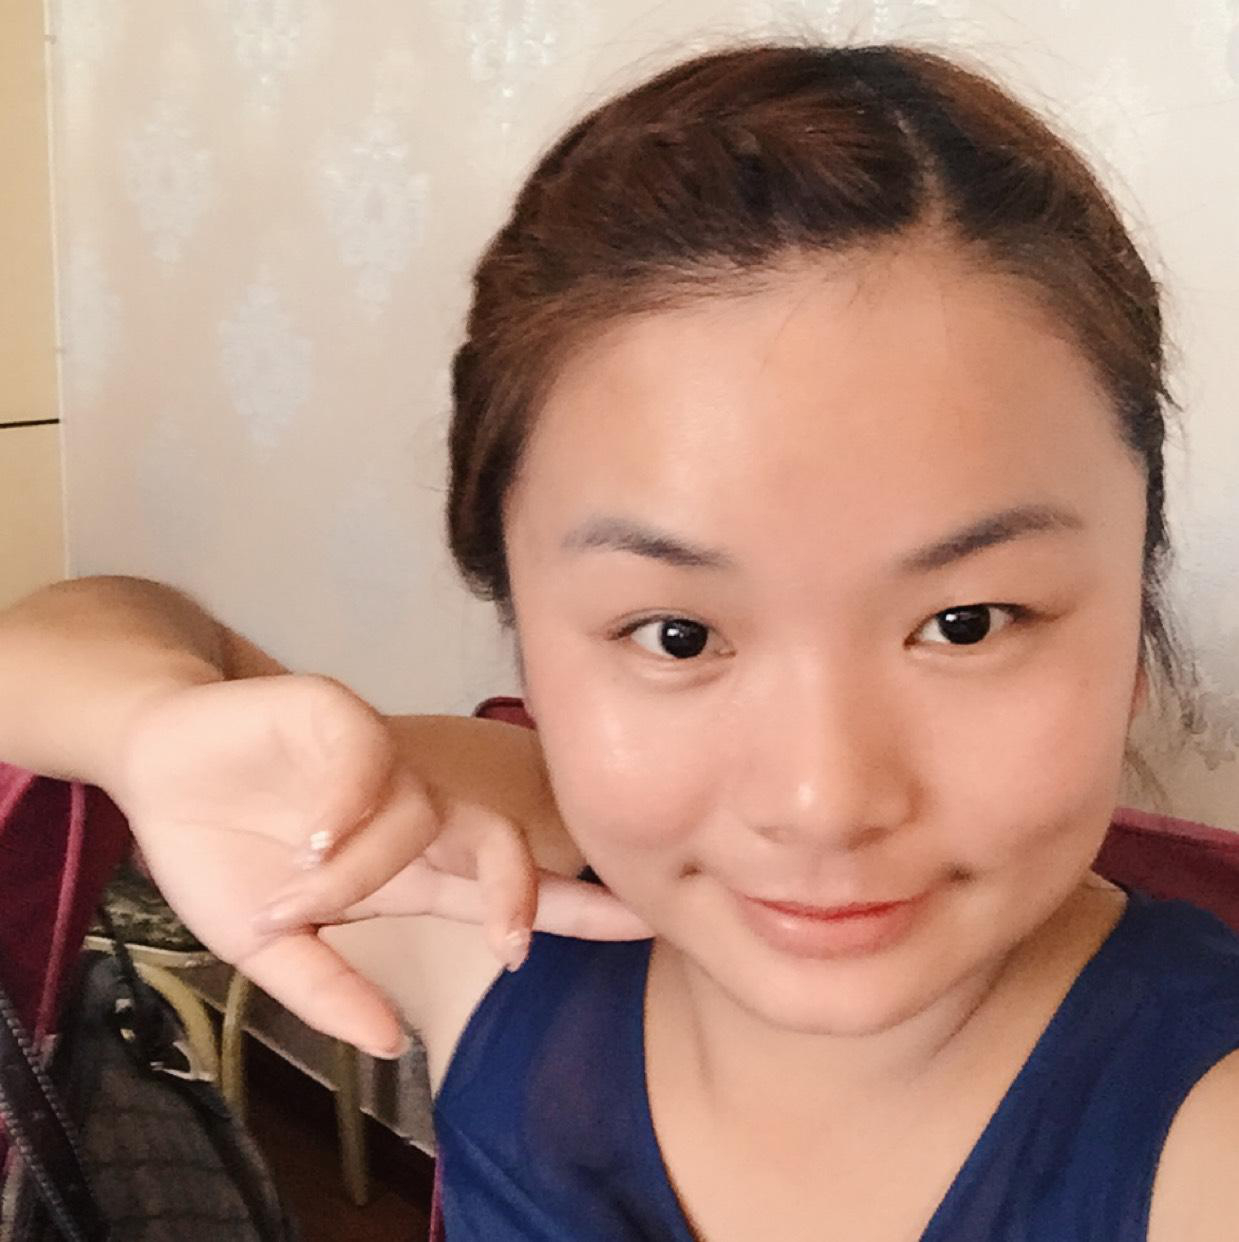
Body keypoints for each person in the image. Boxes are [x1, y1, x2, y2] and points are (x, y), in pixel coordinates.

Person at [2, 41, 1238, 1240]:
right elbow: (49, 646)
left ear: (1133, 606)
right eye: (679, 635)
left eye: (964, 624)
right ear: (525, 633)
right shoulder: (497, 909)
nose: (822, 802)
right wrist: (149, 728)